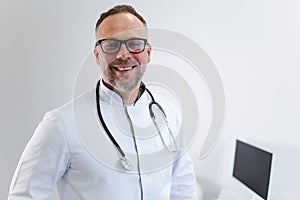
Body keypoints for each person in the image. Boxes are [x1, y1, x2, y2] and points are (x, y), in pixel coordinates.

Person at [8, 5, 198, 200]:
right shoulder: (61, 124)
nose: (123, 54)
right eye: (111, 45)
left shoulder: (167, 113)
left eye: (134, 43)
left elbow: (183, 188)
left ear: (148, 53)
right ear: (98, 55)